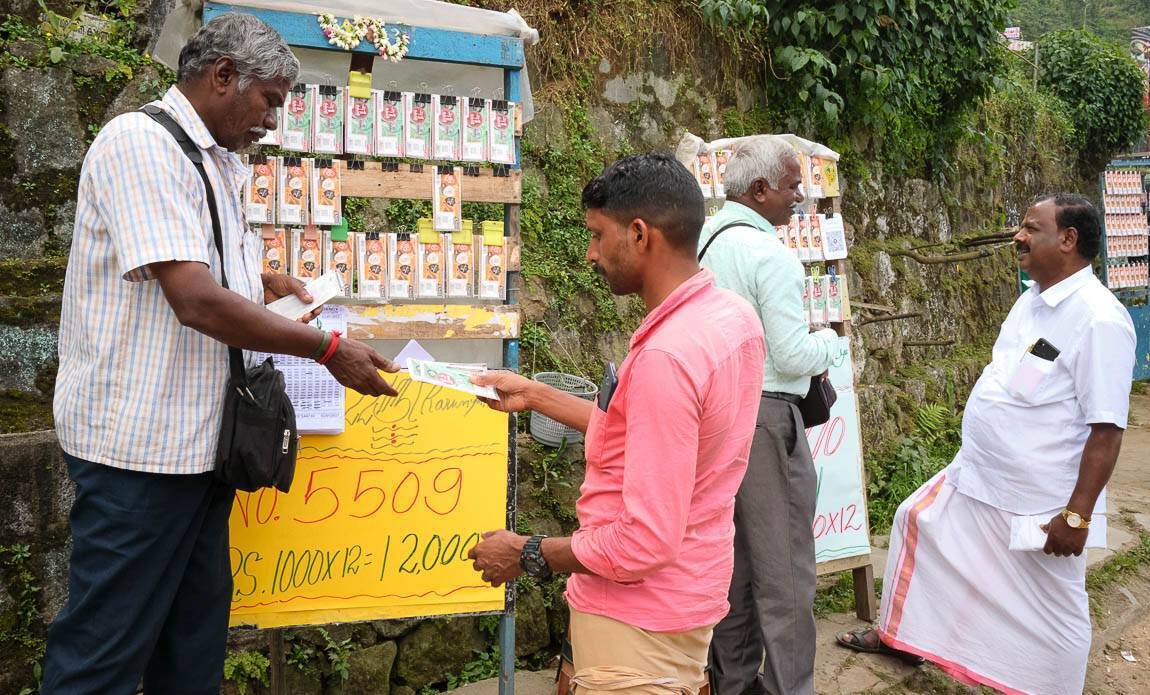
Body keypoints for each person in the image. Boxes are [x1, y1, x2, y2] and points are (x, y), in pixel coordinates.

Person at [45, 14, 399, 694]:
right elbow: (196, 300)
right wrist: (326, 347)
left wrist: (266, 282)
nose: (272, 120)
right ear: (222, 77)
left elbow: (196, 261)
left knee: (193, 650)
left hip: (197, 453)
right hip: (137, 457)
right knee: (102, 657)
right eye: (268, 100)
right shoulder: (141, 144)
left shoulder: (210, 158)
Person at [467, 153, 766, 693]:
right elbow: (651, 435)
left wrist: (528, 552)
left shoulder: (666, 358)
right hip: (689, 598)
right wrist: (536, 396)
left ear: (638, 234)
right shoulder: (731, 319)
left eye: (597, 235)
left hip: (636, 622)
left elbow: (645, 542)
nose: (590, 254)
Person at [836, 194, 1136, 694]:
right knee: (916, 520)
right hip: (980, 476)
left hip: (1037, 501)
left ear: (1067, 240)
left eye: (1030, 228)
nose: (1017, 236)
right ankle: (903, 635)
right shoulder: (1032, 299)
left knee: (1055, 609)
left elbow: (1106, 429)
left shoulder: (1099, 319)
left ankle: (1058, 687)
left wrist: (1078, 516)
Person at [698, 135, 839, 695]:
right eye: (791, 187)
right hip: (765, 420)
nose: (799, 199)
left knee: (733, 569)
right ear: (759, 191)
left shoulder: (702, 244)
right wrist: (831, 343)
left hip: (713, 420)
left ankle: (731, 683)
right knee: (785, 577)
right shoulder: (771, 257)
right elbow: (791, 355)